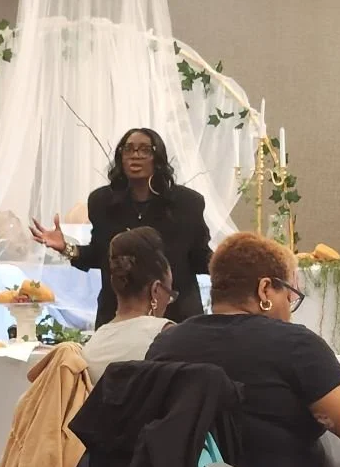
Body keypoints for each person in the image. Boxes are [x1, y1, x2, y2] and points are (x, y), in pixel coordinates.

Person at [148, 232, 340, 467]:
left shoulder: (166, 343)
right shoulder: (294, 345)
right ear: (265, 289)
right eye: (289, 294)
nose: (290, 306)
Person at [30, 128, 211, 328]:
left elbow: (199, 257)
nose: (135, 155)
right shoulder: (102, 202)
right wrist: (66, 247)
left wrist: (230, 262)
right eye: (129, 150)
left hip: (175, 313)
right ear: (120, 157)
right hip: (117, 313)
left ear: (157, 158)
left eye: (144, 150)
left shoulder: (187, 203)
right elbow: (101, 255)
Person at [82, 227, 174, 384]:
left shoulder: (92, 345)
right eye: (170, 294)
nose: (169, 301)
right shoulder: (167, 335)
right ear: (156, 290)